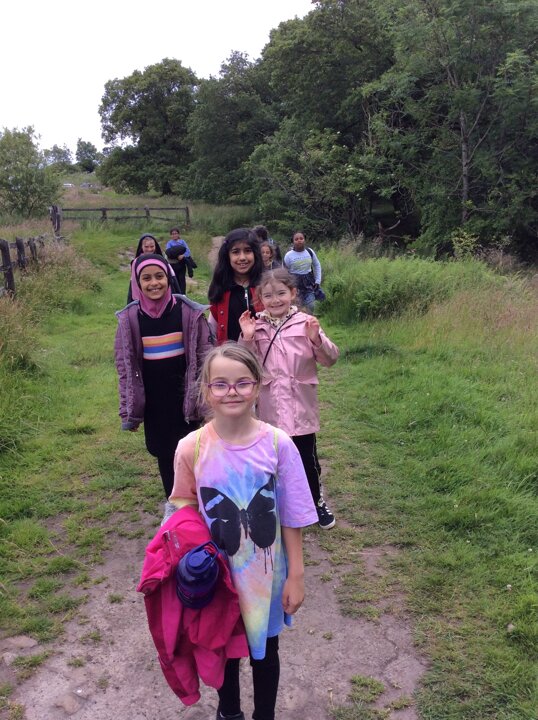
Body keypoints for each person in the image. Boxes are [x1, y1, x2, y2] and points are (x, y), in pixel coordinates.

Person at [169, 343, 318, 720]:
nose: (231, 392)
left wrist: (297, 575)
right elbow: (182, 507)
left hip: (266, 578)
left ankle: (264, 715)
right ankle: (229, 713)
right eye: (220, 384)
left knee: (266, 653)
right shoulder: (191, 448)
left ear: (259, 385)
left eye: (242, 383)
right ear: (206, 390)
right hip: (218, 580)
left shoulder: (279, 445)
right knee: (225, 651)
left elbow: (292, 514)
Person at [238, 267, 339, 530]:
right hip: (270, 409)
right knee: (272, 460)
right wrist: (247, 338)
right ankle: (274, 505)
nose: (275, 300)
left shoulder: (306, 323)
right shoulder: (256, 327)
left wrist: (317, 340)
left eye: (281, 293)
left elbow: (330, 359)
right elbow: (242, 366)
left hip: (301, 408)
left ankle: (316, 501)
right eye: (268, 295)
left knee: (307, 459)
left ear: (293, 293)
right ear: (260, 298)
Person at [115, 254, 212, 502]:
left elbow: (205, 359)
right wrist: (129, 410)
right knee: (165, 454)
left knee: (194, 452)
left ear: (169, 278)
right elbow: (125, 367)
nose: (154, 283)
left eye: (159, 276)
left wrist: (207, 403)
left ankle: (202, 504)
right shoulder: (130, 319)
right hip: (155, 404)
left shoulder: (188, 313)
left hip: (186, 401)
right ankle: (176, 506)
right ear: (137, 283)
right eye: (146, 278)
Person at [208, 228, 264, 344]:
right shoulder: (220, 287)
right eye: (235, 252)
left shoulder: (266, 285)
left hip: (262, 352)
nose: (242, 257)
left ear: (255, 253)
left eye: (247, 251)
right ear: (227, 256)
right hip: (229, 353)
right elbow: (212, 328)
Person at [127, 233, 180, 303]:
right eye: (146, 247)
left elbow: (171, 278)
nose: (149, 249)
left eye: (152, 246)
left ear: (155, 246)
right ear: (141, 247)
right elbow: (134, 283)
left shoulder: (161, 260)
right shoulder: (136, 262)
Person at [283, 231, 321, 313]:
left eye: (301, 238)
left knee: (311, 306)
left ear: (304, 240)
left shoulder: (310, 252)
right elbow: (284, 272)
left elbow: (317, 265)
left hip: (309, 285)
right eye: (296, 239)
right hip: (295, 285)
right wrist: (287, 286)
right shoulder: (288, 255)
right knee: (296, 309)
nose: (299, 240)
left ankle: (310, 319)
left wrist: (318, 281)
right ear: (293, 241)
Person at [165, 227, 195, 295]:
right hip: (173, 263)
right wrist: (177, 256)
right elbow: (169, 253)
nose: (174, 235)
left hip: (181, 263)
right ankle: (175, 295)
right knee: (174, 279)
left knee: (182, 279)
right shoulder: (169, 243)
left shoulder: (182, 242)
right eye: (173, 234)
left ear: (178, 234)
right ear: (171, 235)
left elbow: (188, 251)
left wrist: (183, 255)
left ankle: (183, 295)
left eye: (176, 233)